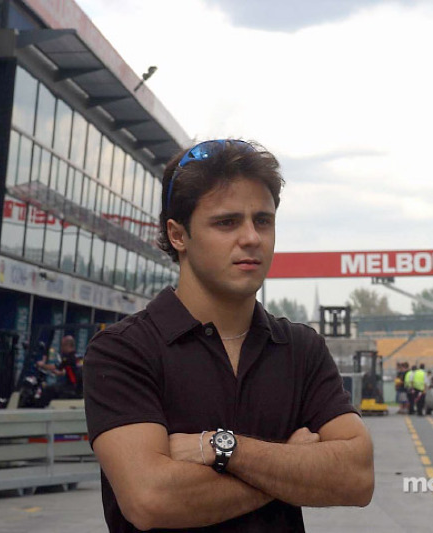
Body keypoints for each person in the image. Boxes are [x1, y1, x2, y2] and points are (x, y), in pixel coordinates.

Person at [83, 139, 374, 532]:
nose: (251, 237)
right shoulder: (124, 351)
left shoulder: (300, 348)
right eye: (227, 222)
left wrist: (224, 449)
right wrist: (291, 467)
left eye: (263, 221)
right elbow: (150, 499)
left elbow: (357, 477)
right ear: (178, 235)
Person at [37, 335, 81, 400]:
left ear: (67, 346)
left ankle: (40, 409)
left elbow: (54, 367)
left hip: (71, 387)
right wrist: (58, 373)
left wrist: (42, 365)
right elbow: (69, 371)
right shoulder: (77, 356)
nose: (61, 348)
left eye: (62, 346)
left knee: (48, 389)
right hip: (78, 387)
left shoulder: (68, 358)